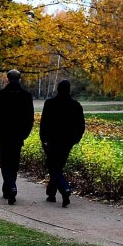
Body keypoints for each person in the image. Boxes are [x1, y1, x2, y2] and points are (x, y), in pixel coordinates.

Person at [0, 69, 34, 204]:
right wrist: (24, 134)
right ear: (19, 79)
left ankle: (11, 186)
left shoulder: (0, 95)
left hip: (3, 135)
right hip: (17, 135)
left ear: (7, 79)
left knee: (4, 162)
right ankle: (9, 187)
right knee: (13, 163)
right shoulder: (26, 96)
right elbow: (29, 118)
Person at [39, 79, 85, 207]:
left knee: (53, 166)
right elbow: (81, 125)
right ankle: (51, 193)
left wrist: (43, 138)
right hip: (67, 141)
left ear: (58, 89)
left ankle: (64, 188)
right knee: (58, 166)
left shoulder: (50, 104)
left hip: (53, 140)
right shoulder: (75, 106)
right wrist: (75, 139)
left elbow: (44, 123)